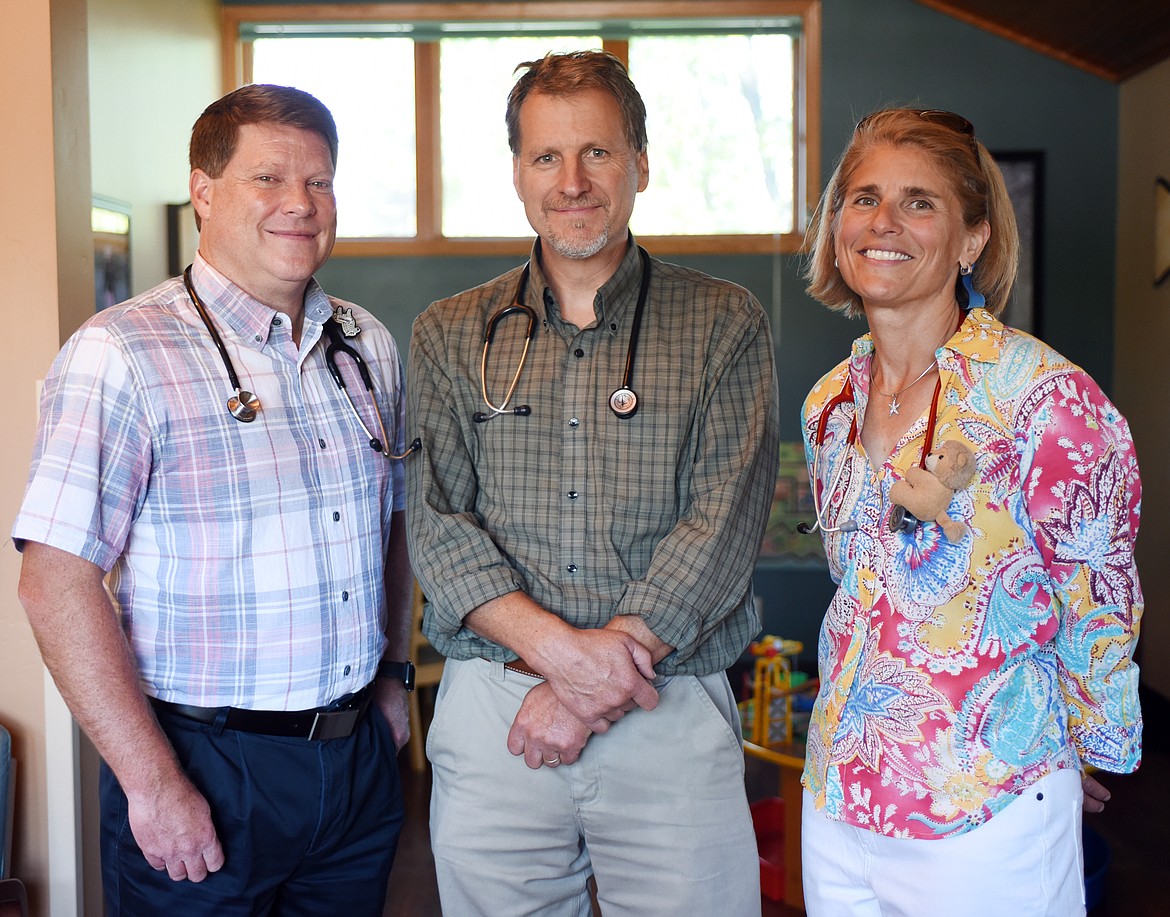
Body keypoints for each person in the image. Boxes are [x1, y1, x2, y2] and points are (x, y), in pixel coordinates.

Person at [14, 84, 415, 916]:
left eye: (320, 182)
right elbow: (55, 582)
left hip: (354, 763)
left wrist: (395, 680)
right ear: (204, 191)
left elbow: (395, 525)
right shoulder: (120, 352)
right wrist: (152, 781)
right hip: (202, 762)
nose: (300, 205)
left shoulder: (368, 344)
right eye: (268, 178)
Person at [405, 50, 780, 916]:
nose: (571, 181)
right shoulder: (450, 332)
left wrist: (580, 691)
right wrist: (564, 660)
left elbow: (721, 524)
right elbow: (438, 525)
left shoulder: (724, 320)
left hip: (671, 709)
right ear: (517, 174)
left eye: (598, 153)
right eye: (546, 157)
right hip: (497, 713)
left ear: (641, 164)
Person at [799, 107, 1142, 916]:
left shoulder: (1043, 396)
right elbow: (858, 584)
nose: (883, 222)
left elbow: (1099, 593)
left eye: (919, 202)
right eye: (862, 198)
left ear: (972, 239)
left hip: (986, 808)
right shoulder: (830, 404)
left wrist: (1085, 751)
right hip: (838, 796)